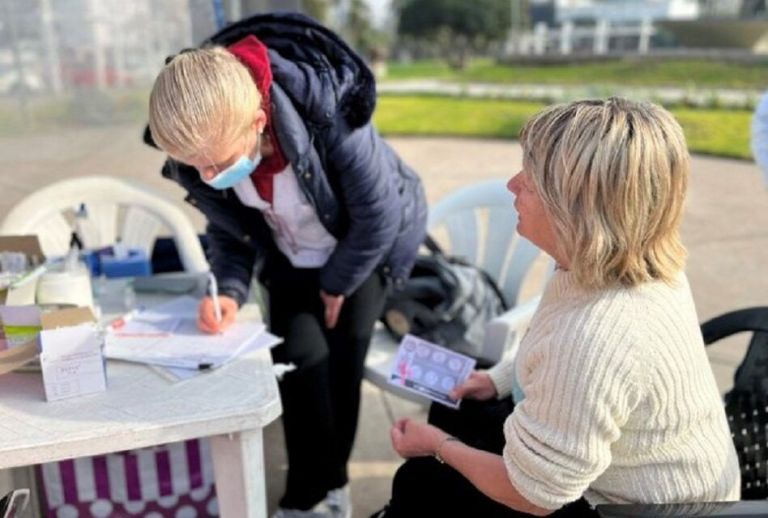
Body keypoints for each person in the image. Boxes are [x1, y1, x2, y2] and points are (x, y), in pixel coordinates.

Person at [375, 98, 741, 517]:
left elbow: (533, 495)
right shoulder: (623, 263)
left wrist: (437, 447)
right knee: (457, 398)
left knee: (420, 481)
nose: (512, 184)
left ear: (576, 210)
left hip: (633, 509)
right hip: (636, 468)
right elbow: (550, 345)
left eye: (531, 181)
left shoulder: (596, 332)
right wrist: (495, 379)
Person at [145, 12, 427, 518]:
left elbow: (378, 217)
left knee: (339, 363)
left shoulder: (329, 112)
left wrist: (338, 283)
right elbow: (230, 235)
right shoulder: (201, 148)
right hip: (292, 256)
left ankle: (330, 488)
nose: (208, 177)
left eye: (216, 163)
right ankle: (306, 495)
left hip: (364, 250)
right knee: (297, 367)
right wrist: (229, 292)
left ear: (258, 121)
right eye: (196, 168)